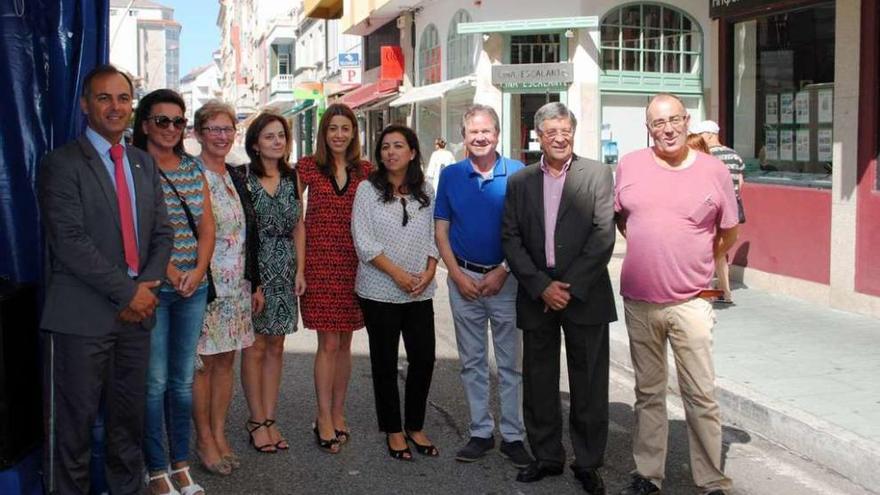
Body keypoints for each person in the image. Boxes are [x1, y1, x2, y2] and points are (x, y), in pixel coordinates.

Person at [38, 64, 173, 494]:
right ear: (84, 105)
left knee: (126, 430)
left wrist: (146, 290)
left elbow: (163, 232)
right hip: (81, 320)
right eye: (103, 98)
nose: (115, 107)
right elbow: (70, 243)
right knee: (71, 436)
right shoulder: (60, 164)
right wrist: (129, 292)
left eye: (122, 98)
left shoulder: (142, 163)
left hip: (135, 320)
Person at [614, 94, 737, 495]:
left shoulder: (714, 170)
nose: (666, 129)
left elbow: (729, 232)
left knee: (700, 394)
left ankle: (712, 479)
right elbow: (622, 217)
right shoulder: (630, 164)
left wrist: (699, 259)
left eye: (673, 120)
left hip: (692, 302)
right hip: (639, 300)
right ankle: (648, 475)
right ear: (648, 129)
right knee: (648, 393)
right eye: (656, 123)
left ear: (687, 122)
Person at [501, 102, 617, 494]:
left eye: (565, 130)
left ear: (574, 131)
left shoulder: (598, 174)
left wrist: (568, 287)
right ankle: (547, 456)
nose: (559, 137)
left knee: (589, 384)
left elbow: (604, 235)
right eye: (550, 131)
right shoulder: (520, 182)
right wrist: (541, 286)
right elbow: (511, 239)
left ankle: (587, 462)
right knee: (539, 381)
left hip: (583, 295)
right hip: (537, 294)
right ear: (539, 136)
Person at [433, 104, 531, 467]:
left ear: (498, 134)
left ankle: (513, 435)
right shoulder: (451, 175)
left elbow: (526, 230)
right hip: (464, 280)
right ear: (463, 137)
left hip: (505, 279)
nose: (479, 137)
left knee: (510, 363)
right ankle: (480, 432)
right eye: (473, 132)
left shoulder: (519, 173)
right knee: (472, 362)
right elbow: (441, 229)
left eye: (486, 131)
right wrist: (456, 275)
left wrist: (504, 270)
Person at [132, 89, 215, 495]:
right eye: (162, 120)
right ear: (145, 123)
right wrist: (171, 270)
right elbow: (137, 230)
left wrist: (197, 271)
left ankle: (181, 464)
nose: (170, 128)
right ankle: (156, 467)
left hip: (191, 289)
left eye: (178, 121)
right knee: (154, 382)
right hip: (152, 288)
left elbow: (207, 226)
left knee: (182, 381)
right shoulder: (133, 166)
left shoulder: (192, 168)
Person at [352, 125, 440, 462]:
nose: (390, 152)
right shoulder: (366, 191)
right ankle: (393, 428)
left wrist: (430, 270)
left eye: (398, 146)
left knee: (423, 359)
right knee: (384, 362)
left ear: (413, 152)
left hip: (420, 290)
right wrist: (399, 275)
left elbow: (436, 235)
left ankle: (415, 425)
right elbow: (364, 242)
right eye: (385, 146)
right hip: (379, 290)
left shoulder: (426, 192)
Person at [191, 100, 264, 475]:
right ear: (199, 133)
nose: (222, 136)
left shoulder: (236, 176)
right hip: (205, 288)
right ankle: (203, 439)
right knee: (202, 367)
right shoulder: (191, 174)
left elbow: (247, 234)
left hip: (237, 286)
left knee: (225, 363)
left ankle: (219, 433)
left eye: (227, 129)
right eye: (214, 129)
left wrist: (255, 282)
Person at [297, 103, 373, 453]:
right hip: (320, 264)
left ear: (353, 133)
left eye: (345, 128)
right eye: (333, 128)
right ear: (323, 134)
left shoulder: (366, 171)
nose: (339, 134)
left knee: (345, 344)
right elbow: (291, 215)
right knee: (328, 344)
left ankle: (339, 412)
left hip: (355, 265)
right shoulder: (308, 168)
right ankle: (323, 415)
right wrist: (296, 266)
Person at [240, 112, 305, 454]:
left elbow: (299, 226)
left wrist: (300, 271)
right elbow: (241, 232)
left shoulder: (293, 178)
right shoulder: (244, 178)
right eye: (269, 136)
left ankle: (270, 416)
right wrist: (252, 282)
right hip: (256, 269)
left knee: (276, 346)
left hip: (285, 269)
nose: (277, 141)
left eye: (281, 136)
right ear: (255, 143)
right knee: (255, 347)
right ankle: (255, 419)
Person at [691, 120, 746, 304]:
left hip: (711, 208)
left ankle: (708, 293)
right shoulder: (734, 155)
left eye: (701, 134)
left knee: (709, 250)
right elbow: (740, 182)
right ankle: (725, 291)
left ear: (708, 135)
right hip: (732, 207)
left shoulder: (706, 156)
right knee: (720, 251)